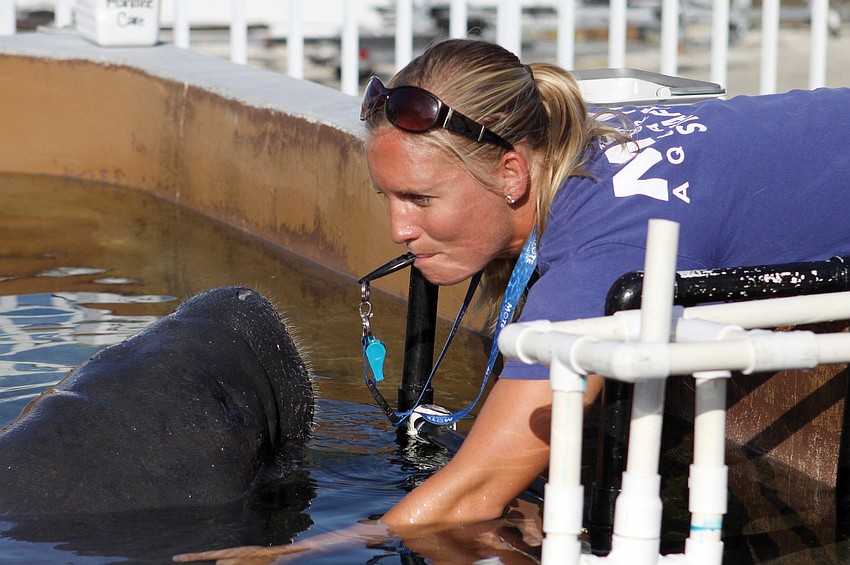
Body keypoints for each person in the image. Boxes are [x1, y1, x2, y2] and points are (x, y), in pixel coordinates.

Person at [174, 38, 850, 563]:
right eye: (389, 196)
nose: (398, 229)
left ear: (511, 173)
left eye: (420, 198)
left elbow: (473, 491)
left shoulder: (600, 253)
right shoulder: (574, 146)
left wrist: (294, 553)